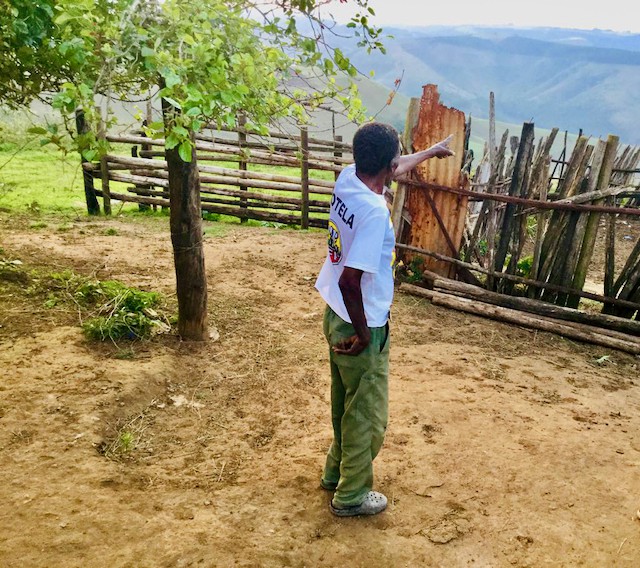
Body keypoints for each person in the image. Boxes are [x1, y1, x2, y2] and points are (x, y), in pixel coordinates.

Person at [314, 121, 454, 517]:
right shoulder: (375, 212)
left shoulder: (348, 179)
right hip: (362, 323)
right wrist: (363, 336)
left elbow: (391, 165)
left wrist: (429, 152)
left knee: (346, 404)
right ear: (389, 166)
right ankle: (352, 495)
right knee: (369, 418)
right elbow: (351, 281)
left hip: (335, 317)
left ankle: (334, 474)